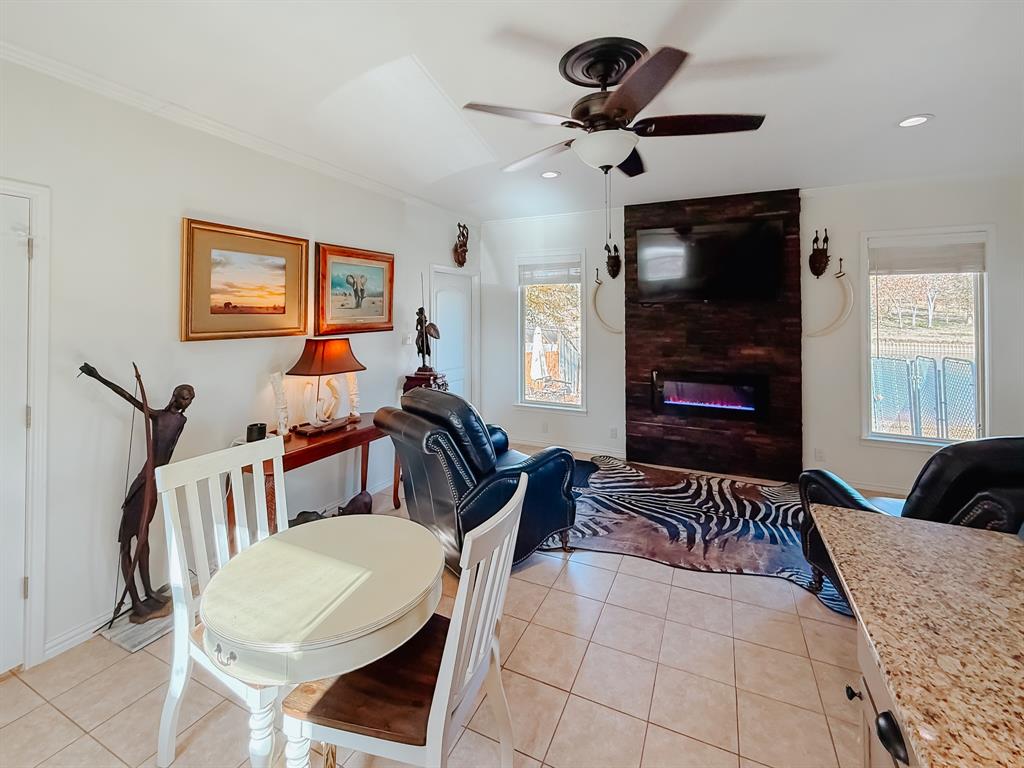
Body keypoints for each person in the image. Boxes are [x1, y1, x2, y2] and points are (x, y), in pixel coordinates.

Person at [80, 362, 195, 622]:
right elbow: (128, 396)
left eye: (191, 399)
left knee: (144, 542)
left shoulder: (180, 420)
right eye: (185, 397)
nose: (188, 403)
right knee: (128, 544)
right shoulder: (160, 417)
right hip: (144, 485)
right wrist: (98, 376)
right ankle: (134, 602)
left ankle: (149, 592)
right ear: (175, 396)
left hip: (155, 483)